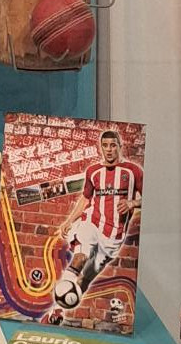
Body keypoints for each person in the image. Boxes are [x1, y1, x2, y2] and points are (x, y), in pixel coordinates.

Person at [46, 126, 142, 322]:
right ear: (101, 148)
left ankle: (64, 304)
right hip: (92, 223)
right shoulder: (93, 171)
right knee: (80, 256)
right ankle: (56, 310)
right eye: (105, 145)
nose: (109, 149)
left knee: (87, 277)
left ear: (119, 147)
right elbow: (85, 198)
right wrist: (69, 220)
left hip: (114, 235)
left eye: (113, 145)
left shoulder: (133, 172)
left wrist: (132, 203)